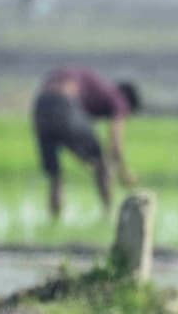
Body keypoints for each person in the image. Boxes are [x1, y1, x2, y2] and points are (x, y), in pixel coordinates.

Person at [33, 67, 141, 219]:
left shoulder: (97, 89)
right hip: (64, 102)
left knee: (55, 175)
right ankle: (109, 213)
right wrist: (123, 172)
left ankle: (54, 219)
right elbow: (116, 140)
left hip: (41, 105)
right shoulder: (118, 98)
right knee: (102, 164)